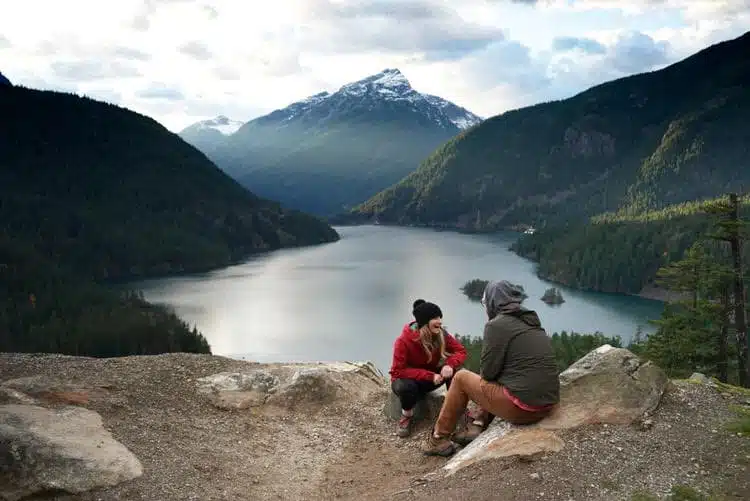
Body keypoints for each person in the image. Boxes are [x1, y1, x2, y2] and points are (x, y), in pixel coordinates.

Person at [423, 280, 560, 456]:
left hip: (524, 409)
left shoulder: (497, 325)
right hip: (548, 404)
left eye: (485, 303)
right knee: (499, 377)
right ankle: (477, 424)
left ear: (492, 303)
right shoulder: (531, 321)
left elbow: (488, 373)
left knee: (461, 377)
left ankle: (438, 438)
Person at [390, 300, 467, 438]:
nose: (440, 322)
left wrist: (449, 364)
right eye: (435, 318)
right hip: (409, 381)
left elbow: (460, 351)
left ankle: (456, 410)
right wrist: (429, 376)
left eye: (440, 318)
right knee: (406, 387)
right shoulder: (403, 341)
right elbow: (398, 371)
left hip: (431, 379)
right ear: (425, 322)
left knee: (456, 372)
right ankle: (406, 415)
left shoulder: (440, 334)